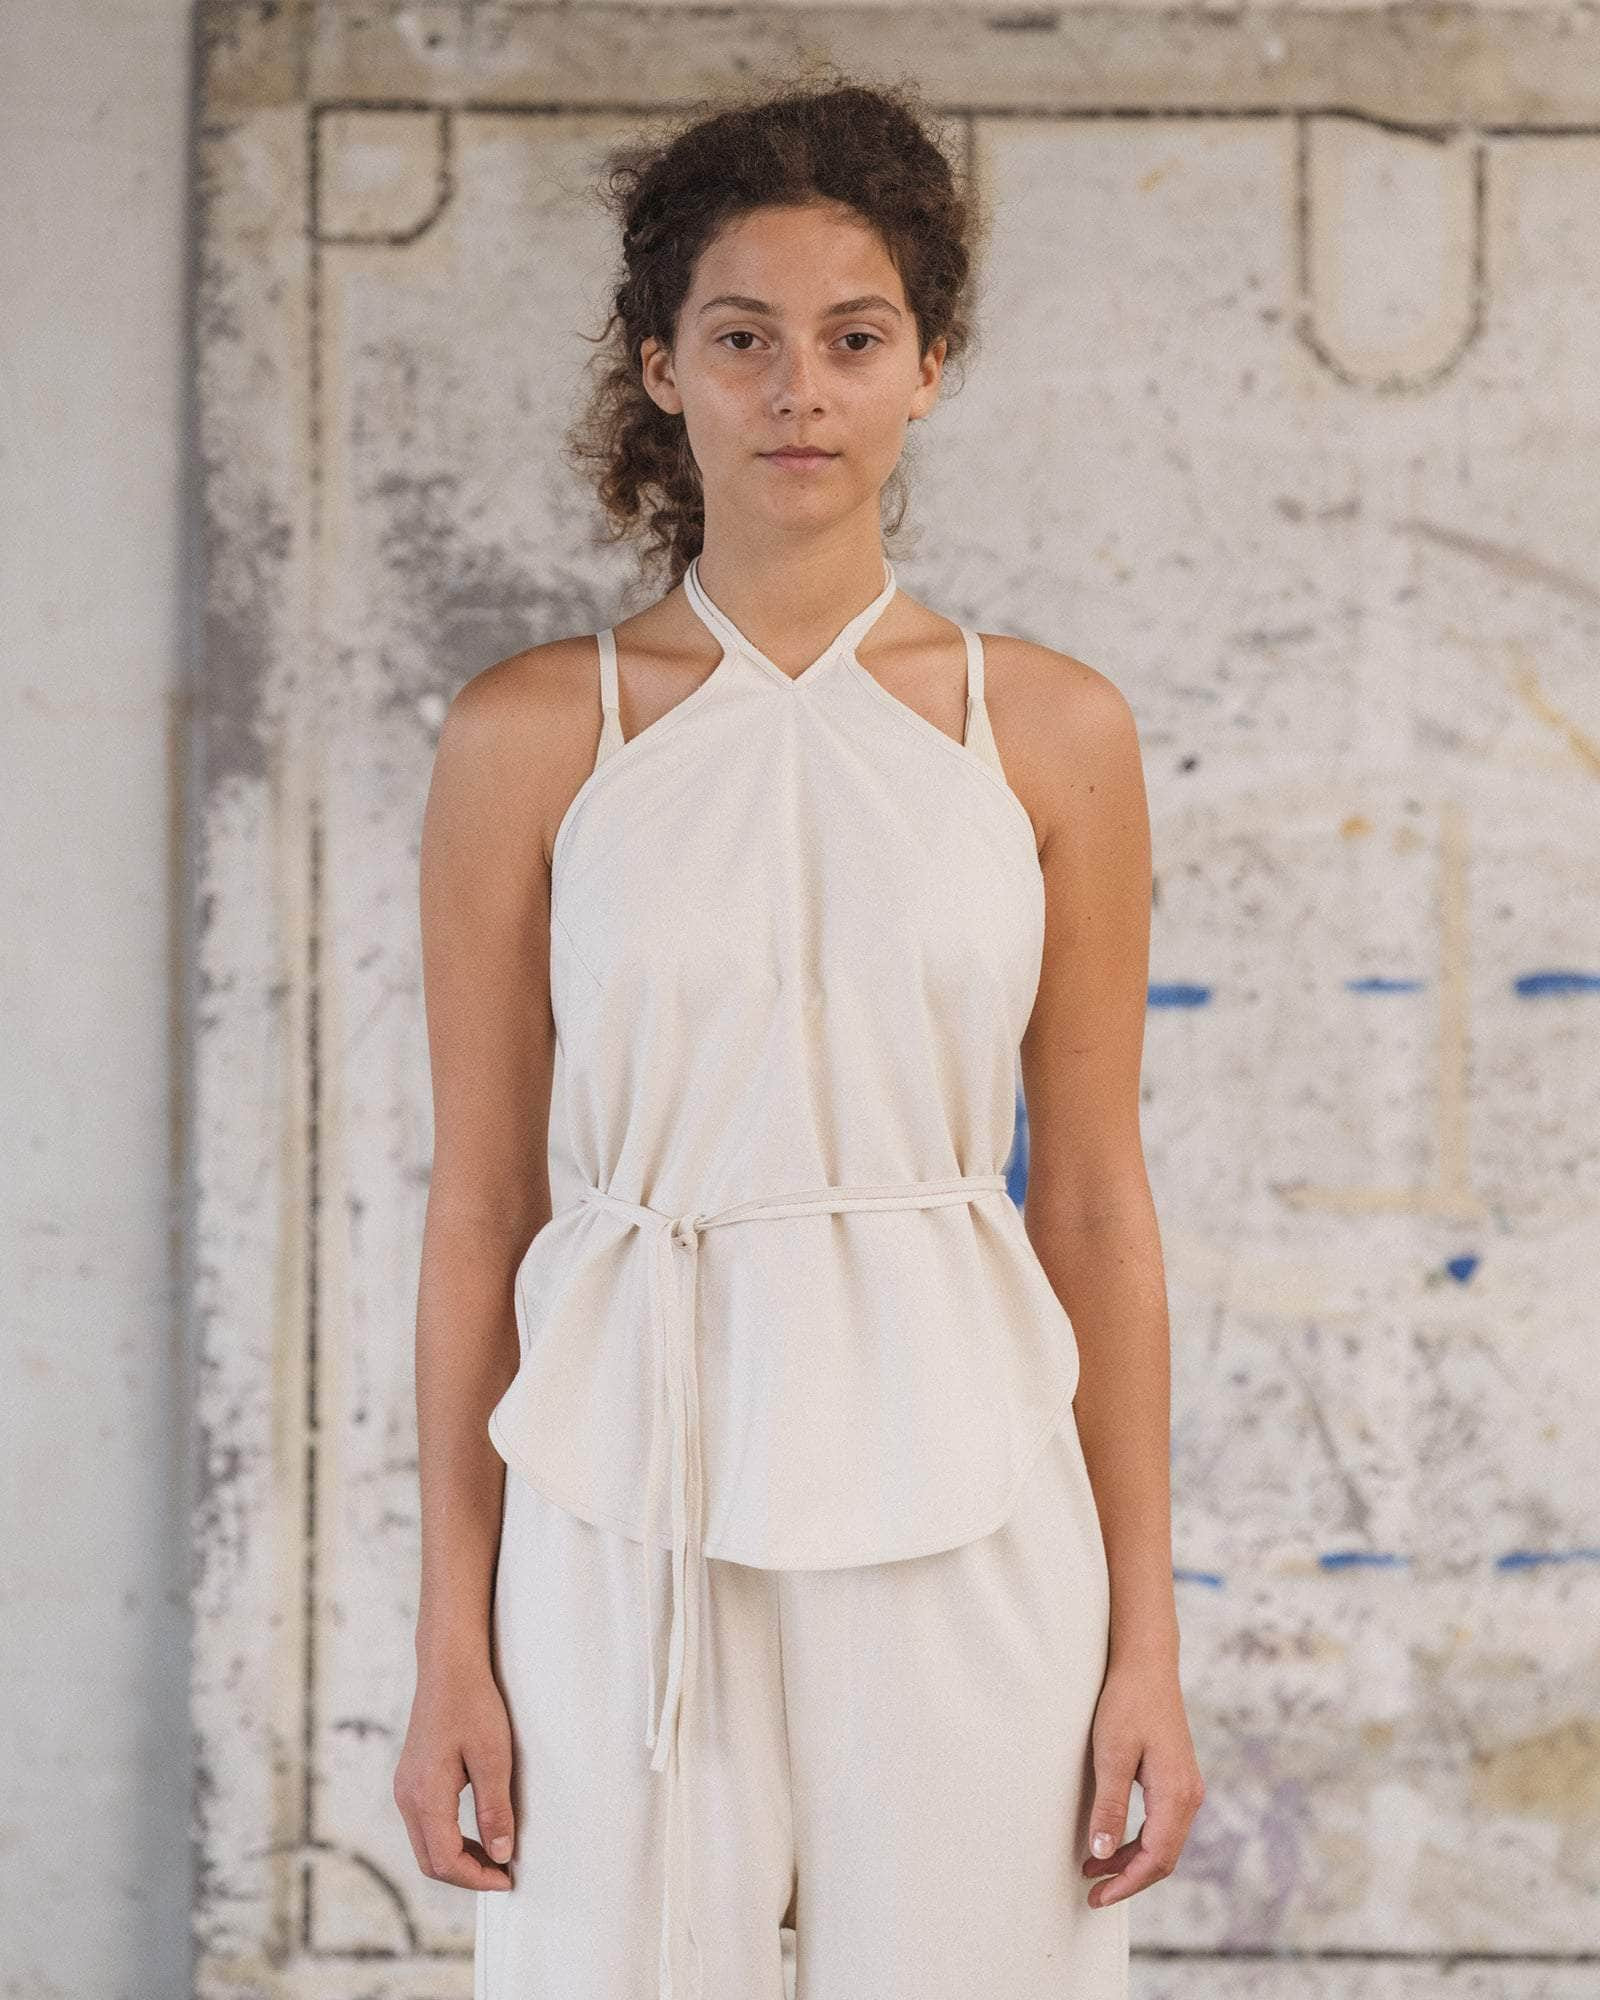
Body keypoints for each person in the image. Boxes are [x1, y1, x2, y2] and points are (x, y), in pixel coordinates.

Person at [394, 70, 1203, 2000]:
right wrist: (451, 1640)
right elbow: (484, 1203)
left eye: (854, 338)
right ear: (661, 369)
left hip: (972, 1493)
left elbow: (1095, 1201)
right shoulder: (532, 734)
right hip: (619, 1503)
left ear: (929, 367)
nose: (799, 391)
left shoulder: (1051, 732)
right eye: (742, 337)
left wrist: (1150, 1643)